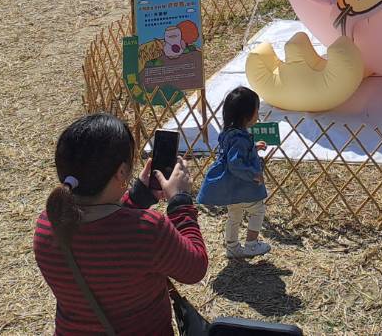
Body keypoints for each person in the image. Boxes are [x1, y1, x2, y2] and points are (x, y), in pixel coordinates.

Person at [33, 113, 207, 335]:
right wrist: (180, 201)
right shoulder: (148, 230)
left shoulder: (48, 223)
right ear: (122, 172)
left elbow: (103, 230)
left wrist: (137, 197)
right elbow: (195, 268)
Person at [197, 86, 271, 259]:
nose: (258, 113)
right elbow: (235, 162)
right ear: (247, 114)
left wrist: (253, 147)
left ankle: (232, 247)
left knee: (234, 215)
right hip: (242, 186)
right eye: (257, 110)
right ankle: (251, 245)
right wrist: (253, 174)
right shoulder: (240, 138)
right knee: (258, 210)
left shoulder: (229, 133)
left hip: (230, 187)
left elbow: (233, 152)